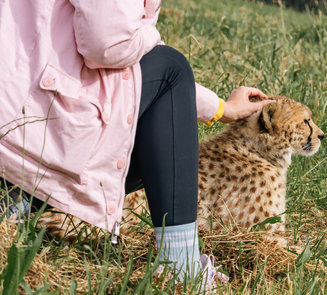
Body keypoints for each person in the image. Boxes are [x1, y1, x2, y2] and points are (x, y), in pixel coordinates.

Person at [0, 0, 271, 284]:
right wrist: (149, 34)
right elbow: (108, 44)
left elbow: (133, 65)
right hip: (29, 122)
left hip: (21, 101)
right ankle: (182, 267)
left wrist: (219, 108)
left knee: (168, 73)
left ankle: (20, 197)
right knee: (171, 66)